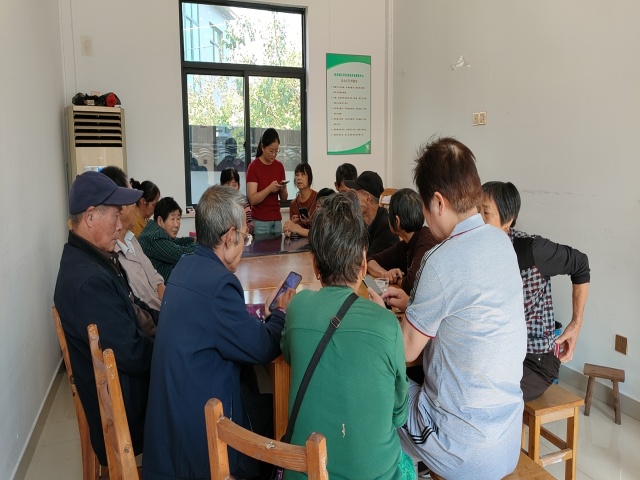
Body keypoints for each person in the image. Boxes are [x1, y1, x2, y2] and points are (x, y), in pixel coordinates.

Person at [382, 138, 526, 480]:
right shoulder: (502, 242)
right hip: (506, 440)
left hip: (459, 447)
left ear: (438, 201)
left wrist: (377, 314)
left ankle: (407, 470)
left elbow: (405, 350)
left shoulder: (440, 259)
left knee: (379, 391)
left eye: (425, 208)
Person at [142, 185, 295, 480]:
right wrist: (280, 313)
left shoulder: (185, 266)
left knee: (258, 399)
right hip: (201, 443)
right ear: (228, 237)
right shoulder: (220, 284)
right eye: (244, 238)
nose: (245, 245)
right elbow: (262, 348)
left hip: (170, 431)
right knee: (280, 412)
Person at [280, 191, 413, 480]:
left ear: (315, 266)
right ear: (363, 264)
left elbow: (290, 353)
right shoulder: (387, 325)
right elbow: (399, 414)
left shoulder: (297, 309)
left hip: (305, 472)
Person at [53, 171, 154, 467]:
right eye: (115, 216)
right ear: (90, 216)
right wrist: (175, 347)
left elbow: (133, 310)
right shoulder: (89, 282)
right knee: (201, 384)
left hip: (124, 392)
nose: (121, 225)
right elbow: (132, 353)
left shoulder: (89, 258)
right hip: (125, 411)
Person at [481, 181, 590, 401]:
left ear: (508, 220)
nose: (478, 220)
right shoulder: (479, 251)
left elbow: (580, 263)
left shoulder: (531, 250)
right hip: (500, 352)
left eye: (485, 213)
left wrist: (576, 324)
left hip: (534, 360)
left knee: (484, 395)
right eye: (474, 212)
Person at [101, 166, 165, 313]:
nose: (135, 206)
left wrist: (169, 304)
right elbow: (137, 309)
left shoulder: (131, 239)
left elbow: (155, 277)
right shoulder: (112, 254)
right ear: (119, 206)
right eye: (131, 200)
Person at [367, 188, 438, 296]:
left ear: (397, 221)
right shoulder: (404, 245)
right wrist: (385, 274)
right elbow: (370, 261)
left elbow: (412, 285)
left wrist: (397, 279)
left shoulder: (426, 241)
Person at [138, 197, 196, 281]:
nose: (176, 224)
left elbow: (175, 241)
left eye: (178, 219)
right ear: (160, 220)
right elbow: (180, 255)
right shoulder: (156, 236)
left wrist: (192, 239)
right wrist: (201, 244)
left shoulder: (154, 227)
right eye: (172, 219)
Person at [344, 171, 398, 256]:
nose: (352, 200)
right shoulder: (358, 222)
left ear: (368, 199)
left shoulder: (386, 227)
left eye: (355, 196)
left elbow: (367, 259)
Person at [246, 128, 288, 234]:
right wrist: (269, 189)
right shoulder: (253, 167)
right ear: (263, 147)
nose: (274, 154)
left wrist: (283, 189)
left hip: (276, 220)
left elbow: (284, 198)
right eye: (271, 151)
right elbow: (252, 199)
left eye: (276, 151)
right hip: (260, 222)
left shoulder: (279, 166)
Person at [283, 162, 318, 238]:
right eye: (297, 175)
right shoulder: (293, 203)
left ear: (309, 177)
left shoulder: (318, 198)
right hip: (298, 243)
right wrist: (288, 229)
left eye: (303, 174)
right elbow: (291, 229)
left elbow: (323, 230)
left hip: (315, 240)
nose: (299, 178)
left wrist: (310, 221)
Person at [221, 166, 254, 234]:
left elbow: (249, 222)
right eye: (227, 184)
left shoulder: (243, 201)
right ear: (221, 185)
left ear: (239, 186)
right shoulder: (218, 201)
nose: (231, 188)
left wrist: (247, 229)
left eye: (234, 185)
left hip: (241, 235)